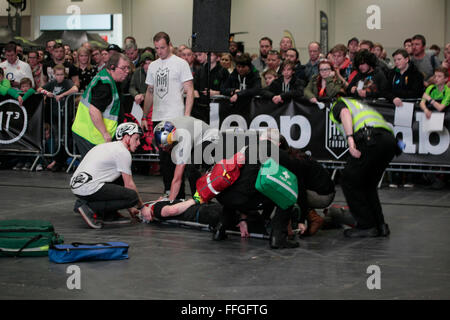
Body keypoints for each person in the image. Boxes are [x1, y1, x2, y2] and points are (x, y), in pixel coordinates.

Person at [329, 97, 400, 238]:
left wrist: (350, 139)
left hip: (370, 139)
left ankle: (366, 226)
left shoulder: (339, 103)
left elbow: (344, 112)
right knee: (368, 184)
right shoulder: (362, 105)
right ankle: (380, 225)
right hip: (390, 142)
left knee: (349, 180)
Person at [142, 32, 195, 196]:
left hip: (176, 117)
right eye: (157, 48)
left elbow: (189, 90)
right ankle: (168, 190)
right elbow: (149, 92)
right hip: (158, 116)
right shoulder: (153, 66)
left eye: (163, 47)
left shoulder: (180, 64)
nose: (160, 51)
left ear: (170, 45)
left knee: (179, 157)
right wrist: (144, 116)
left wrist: (186, 116)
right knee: (164, 159)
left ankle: (179, 194)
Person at [70, 122, 152, 229]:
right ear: (127, 137)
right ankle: (90, 208)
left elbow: (121, 183)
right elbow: (129, 185)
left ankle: (109, 215)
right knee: (132, 197)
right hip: (88, 187)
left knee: (119, 179)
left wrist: (130, 209)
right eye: (136, 139)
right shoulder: (123, 152)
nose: (139, 143)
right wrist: (142, 208)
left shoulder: (108, 146)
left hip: (77, 186)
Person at [71, 53, 131, 159]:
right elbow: (94, 111)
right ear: (112, 68)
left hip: (93, 135)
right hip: (90, 135)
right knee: (96, 171)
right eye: (123, 68)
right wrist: (105, 134)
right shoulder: (104, 85)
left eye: (128, 67)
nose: (127, 71)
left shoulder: (109, 79)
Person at [153, 116, 218, 201]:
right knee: (167, 158)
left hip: (209, 137)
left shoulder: (184, 136)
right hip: (193, 137)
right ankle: (178, 199)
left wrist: (169, 203)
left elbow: (177, 178)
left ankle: (198, 200)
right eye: (160, 145)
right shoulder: (158, 129)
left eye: (165, 146)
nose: (163, 148)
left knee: (191, 166)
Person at [37, 64, 79, 172]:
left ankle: (61, 161)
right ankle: (57, 161)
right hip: (55, 115)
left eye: (61, 75)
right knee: (56, 138)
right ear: (54, 75)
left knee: (65, 138)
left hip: (66, 115)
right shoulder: (52, 83)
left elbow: (75, 89)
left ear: (64, 74)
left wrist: (62, 95)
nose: (60, 77)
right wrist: (47, 93)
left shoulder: (67, 82)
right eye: (57, 75)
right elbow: (39, 89)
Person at [193, 52, 229, 123]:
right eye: (207, 54)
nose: (208, 57)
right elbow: (195, 86)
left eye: (211, 55)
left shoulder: (223, 71)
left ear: (218, 58)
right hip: (201, 104)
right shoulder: (200, 70)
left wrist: (215, 93)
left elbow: (227, 89)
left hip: (217, 104)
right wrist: (197, 97)